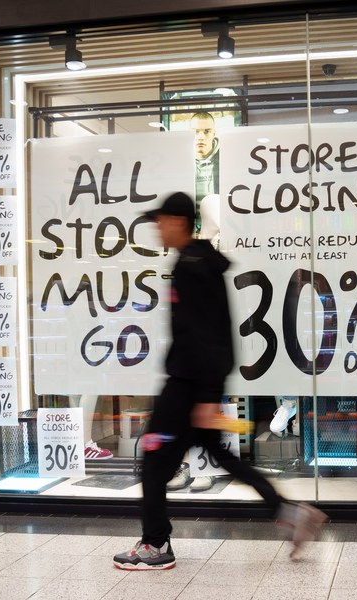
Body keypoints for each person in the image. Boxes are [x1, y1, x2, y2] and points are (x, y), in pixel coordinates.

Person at [113, 192, 326, 571]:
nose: (157, 228)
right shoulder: (198, 261)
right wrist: (211, 392)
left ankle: (155, 544)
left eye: (159, 221)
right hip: (196, 385)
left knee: (154, 462)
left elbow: (211, 334)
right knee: (222, 457)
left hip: (187, 389)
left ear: (177, 221)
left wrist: (207, 396)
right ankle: (289, 511)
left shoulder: (191, 267)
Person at [190, 111, 220, 233]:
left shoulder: (226, 158)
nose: (201, 136)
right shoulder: (180, 160)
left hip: (218, 230)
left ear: (214, 133)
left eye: (207, 131)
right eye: (196, 132)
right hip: (189, 231)